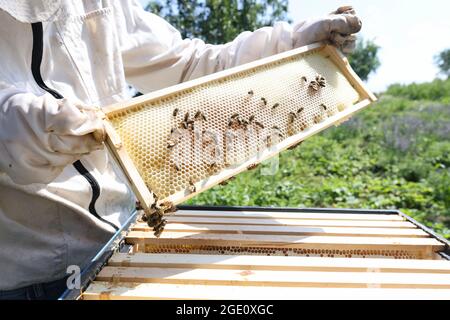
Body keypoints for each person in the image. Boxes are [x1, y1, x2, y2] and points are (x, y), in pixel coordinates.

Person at [0, 0, 362, 300]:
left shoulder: (101, 4)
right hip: (25, 275)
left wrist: (294, 43)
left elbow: (190, 66)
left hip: (116, 243)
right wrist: (19, 125)